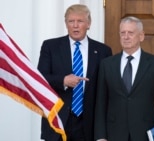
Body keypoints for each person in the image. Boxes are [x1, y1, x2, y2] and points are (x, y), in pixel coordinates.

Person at [37, 4, 112, 141]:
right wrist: (63, 81)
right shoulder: (50, 46)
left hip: (88, 123)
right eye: (71, 21)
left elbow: (106, 89)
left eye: (80, 21)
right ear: (66, 24)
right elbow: (40, 79)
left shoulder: (103, 51)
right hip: (58, 120)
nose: (75, 25)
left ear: (88, 24)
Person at [94, 16, 154, 141]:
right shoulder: (107, 64)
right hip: (114, 133)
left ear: (141, 36)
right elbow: (101, 103)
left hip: (144, 133)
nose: (126, 37)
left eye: (130, 33)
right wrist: (100, 136)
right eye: (123, 33)